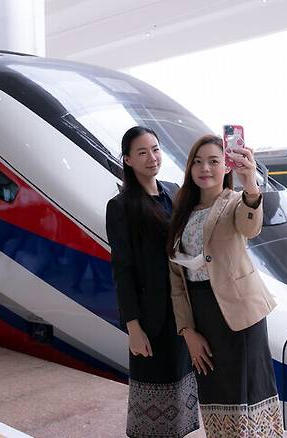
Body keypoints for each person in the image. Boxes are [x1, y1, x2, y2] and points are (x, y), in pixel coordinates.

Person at [166, 134, 284, 437]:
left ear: (226, 167)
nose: (205, 168)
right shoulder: (182, 211)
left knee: (247, 394)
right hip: (202, 314)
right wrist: (187, 331)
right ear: (190, 168)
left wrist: (251, 186)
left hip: (240, 316)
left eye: (214, 161)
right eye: (198, 161)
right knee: (215, 393)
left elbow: (250, 226)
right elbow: (176, 281)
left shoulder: (235, 202)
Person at [106, 126, 200, 438]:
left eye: (155, 149)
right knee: (152, 396)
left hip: (183, 312)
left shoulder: (174, 192)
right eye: (142, 152)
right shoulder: (121, 206)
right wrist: (133, 327)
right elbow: (123, 269)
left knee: (182, 394)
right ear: (128, 160)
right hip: (150, 318)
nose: (152, 157)